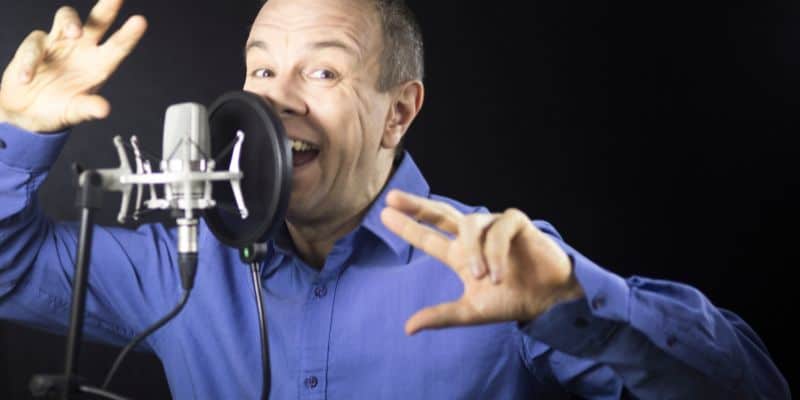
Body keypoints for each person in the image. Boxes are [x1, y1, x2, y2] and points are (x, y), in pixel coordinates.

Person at [0, 0, 790, 398]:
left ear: (399, 112)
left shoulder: (498, 271)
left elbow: (751, 389)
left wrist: (573, 301)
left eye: (324, 73)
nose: (277, 102)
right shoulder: (176, 264)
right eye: (262, 70)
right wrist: (20, 130)